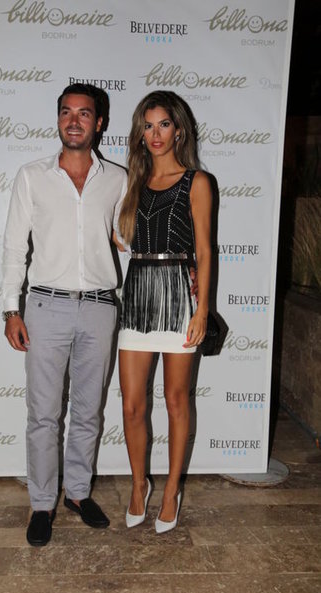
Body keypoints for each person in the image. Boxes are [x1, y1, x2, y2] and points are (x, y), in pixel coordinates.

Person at [2, 83, 127, 546]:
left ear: (99, 122)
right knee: (43, 414)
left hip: (100, 307)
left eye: (84, 113)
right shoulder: (31, 176)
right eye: (66, 113)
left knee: (89, 410)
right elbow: (14, 247)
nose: (74, 121)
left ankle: (77, 493)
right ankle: (41, 503)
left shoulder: (118, 179)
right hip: (45, 306)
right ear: (58, 119)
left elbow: (127, 238)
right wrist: (10, 309)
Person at [115, 90, 212, 534]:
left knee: (176, 400)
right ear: (140, 133)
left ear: (179, 131)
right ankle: (140, 484)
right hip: (137, 292)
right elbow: (116, 235)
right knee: (132, 404)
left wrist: (202, 309)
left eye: (164, 125)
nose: (155, 134)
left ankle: (171, 489)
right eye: (148, 126)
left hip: (178, 295)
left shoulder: (197, 182)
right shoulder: (130, 184)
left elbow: (205, 251)